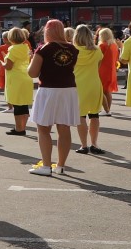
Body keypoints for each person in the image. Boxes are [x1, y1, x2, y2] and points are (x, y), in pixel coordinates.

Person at [26, 20, 79, 176]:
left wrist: (31, 59)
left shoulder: (44, 48)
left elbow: (32, 73)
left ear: (47, 32)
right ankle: (61, 165)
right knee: (64, 128)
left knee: (43, 129)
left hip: (49, 89)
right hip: (68, 89)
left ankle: (46, 166)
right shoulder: (72, 48)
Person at [72, 26, 104, 154]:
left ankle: (84, 145)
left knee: (81, 116)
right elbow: (98, 66)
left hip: (78, 85)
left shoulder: (73, 51)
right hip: (94, 84)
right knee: (94, 115)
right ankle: (94, 144)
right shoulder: (97, 51)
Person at [3, 28, 34, 136]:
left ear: (11, 38)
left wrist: (0, 62)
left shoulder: (13, 49)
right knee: (24, 105)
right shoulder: (26, 47)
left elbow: (9, 66)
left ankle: (19, 128)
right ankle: (22, 127)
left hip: (16, 78)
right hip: (26, 76)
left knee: (17, 104)